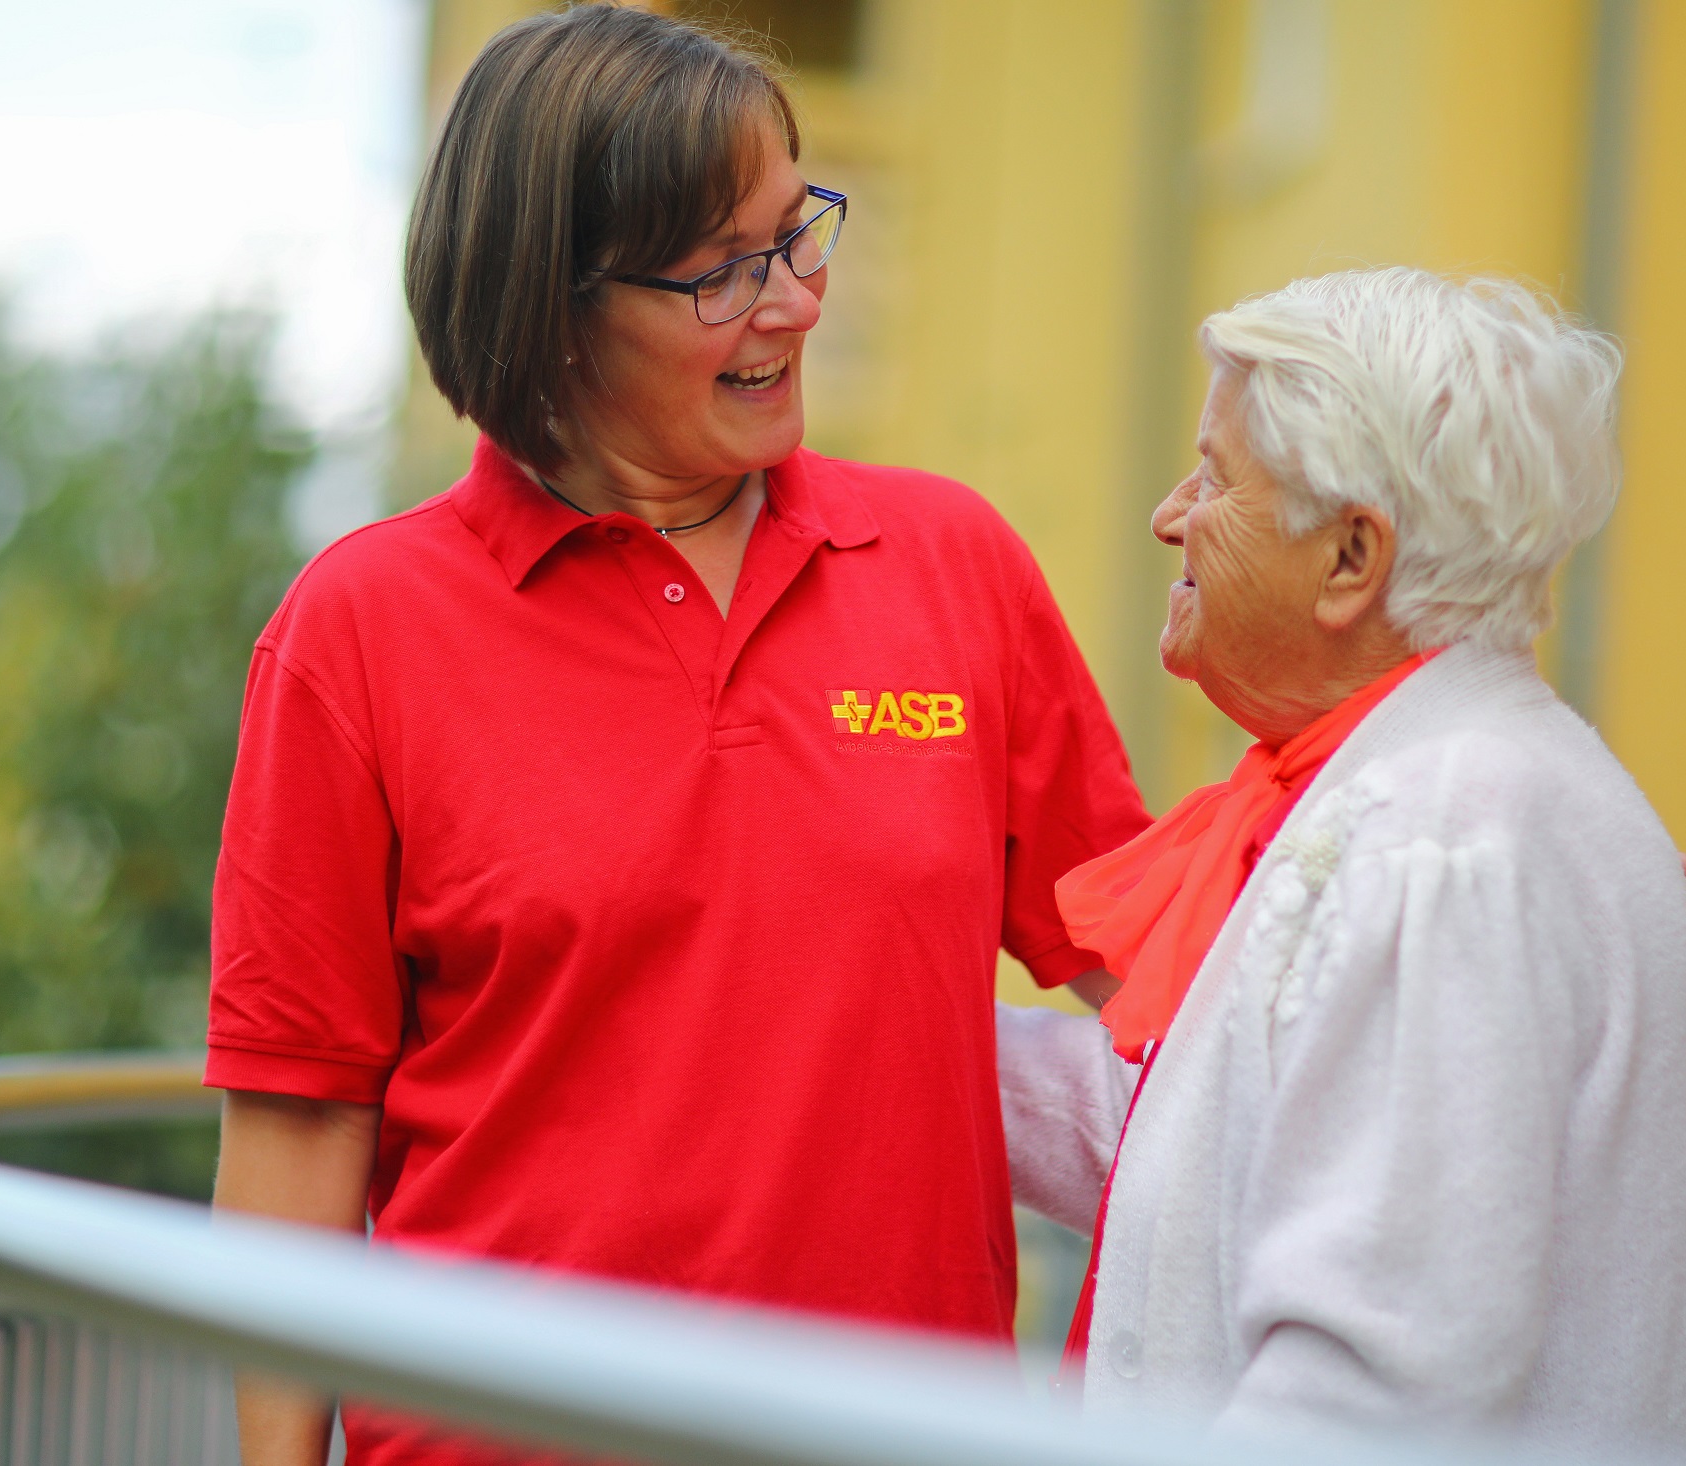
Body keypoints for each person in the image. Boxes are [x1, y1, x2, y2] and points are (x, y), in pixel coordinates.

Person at [205, 6, 1149, 1463]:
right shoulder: (363, 628)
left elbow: (1156, 970)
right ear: (550, 304)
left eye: (798, 234)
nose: (795, 303)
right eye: (723, 271)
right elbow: (297, 1122)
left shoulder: (953, 564)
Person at [998, 268, 1686, 1450]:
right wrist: (880, 1036)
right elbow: (1217, 1137)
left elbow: (1376, 1378)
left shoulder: (1439, 838)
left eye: (1216, 477)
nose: (1170, 515)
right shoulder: (1437, 790)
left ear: (1349, 558)